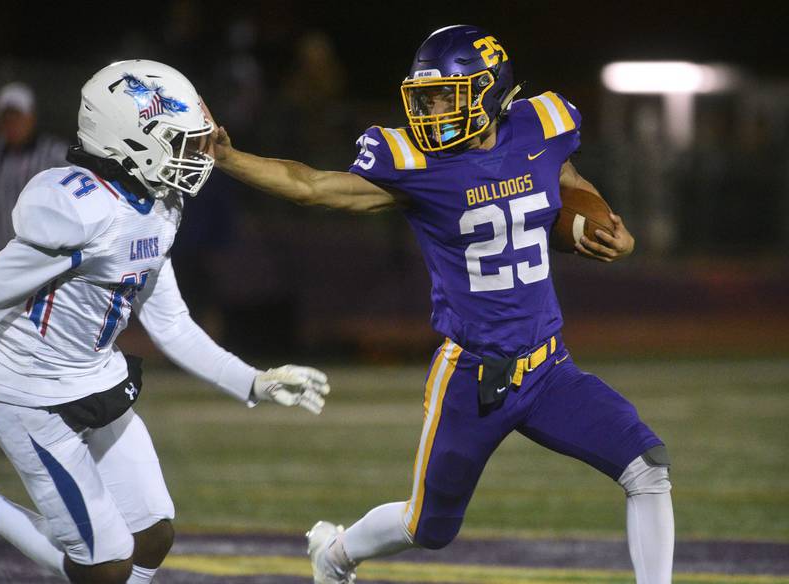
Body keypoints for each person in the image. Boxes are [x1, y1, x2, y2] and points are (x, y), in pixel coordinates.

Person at [207, 24, 674, 584]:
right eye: (426, 97)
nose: (432, 111)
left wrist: (602, 221)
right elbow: (311, 185)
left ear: (491, 91)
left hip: (551, 368)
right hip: (473, 376)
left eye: (447, 95)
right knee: (428, 527)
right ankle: (334, 553)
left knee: (647, 468)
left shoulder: (542, 124)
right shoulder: (414, 163)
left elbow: (566, 174)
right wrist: (229, 159)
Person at [0, 59, 330, 584]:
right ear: (129, 140)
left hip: (97, 375)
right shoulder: (80, 209)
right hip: (28, 392)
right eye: (182, 142)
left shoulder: (157, 205)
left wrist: (253, 381)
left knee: (153, 534)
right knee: (103, 565)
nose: (196, 156)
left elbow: (171, 324)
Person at [0, 82, 68, 256]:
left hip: (42, 259)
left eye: (18, 117)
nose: (12, 124)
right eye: (7, 118)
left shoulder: (54, 154)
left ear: (31, 118)